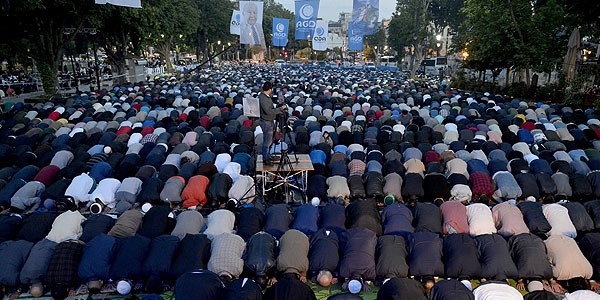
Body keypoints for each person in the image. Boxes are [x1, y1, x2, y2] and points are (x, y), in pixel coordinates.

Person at [259, 81, 286, 165]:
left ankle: (267, 155)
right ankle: (265, 158)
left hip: (269, 121)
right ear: (270, 89)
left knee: (269, 141)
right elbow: (268, 111)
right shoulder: (263, 98)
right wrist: (280, 109)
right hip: (266, 122)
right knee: (267, 142)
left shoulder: (265, 97)